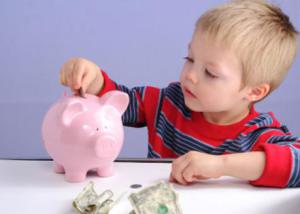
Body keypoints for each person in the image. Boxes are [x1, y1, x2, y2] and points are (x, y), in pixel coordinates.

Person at [59, 0, 299, 188]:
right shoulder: (169, 102)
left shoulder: (259, 133)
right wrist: (93, 79)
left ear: (254, 91)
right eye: (190, 59)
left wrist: (221, 165)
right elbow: (117, 103)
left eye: (210, 73)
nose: (190, 76)